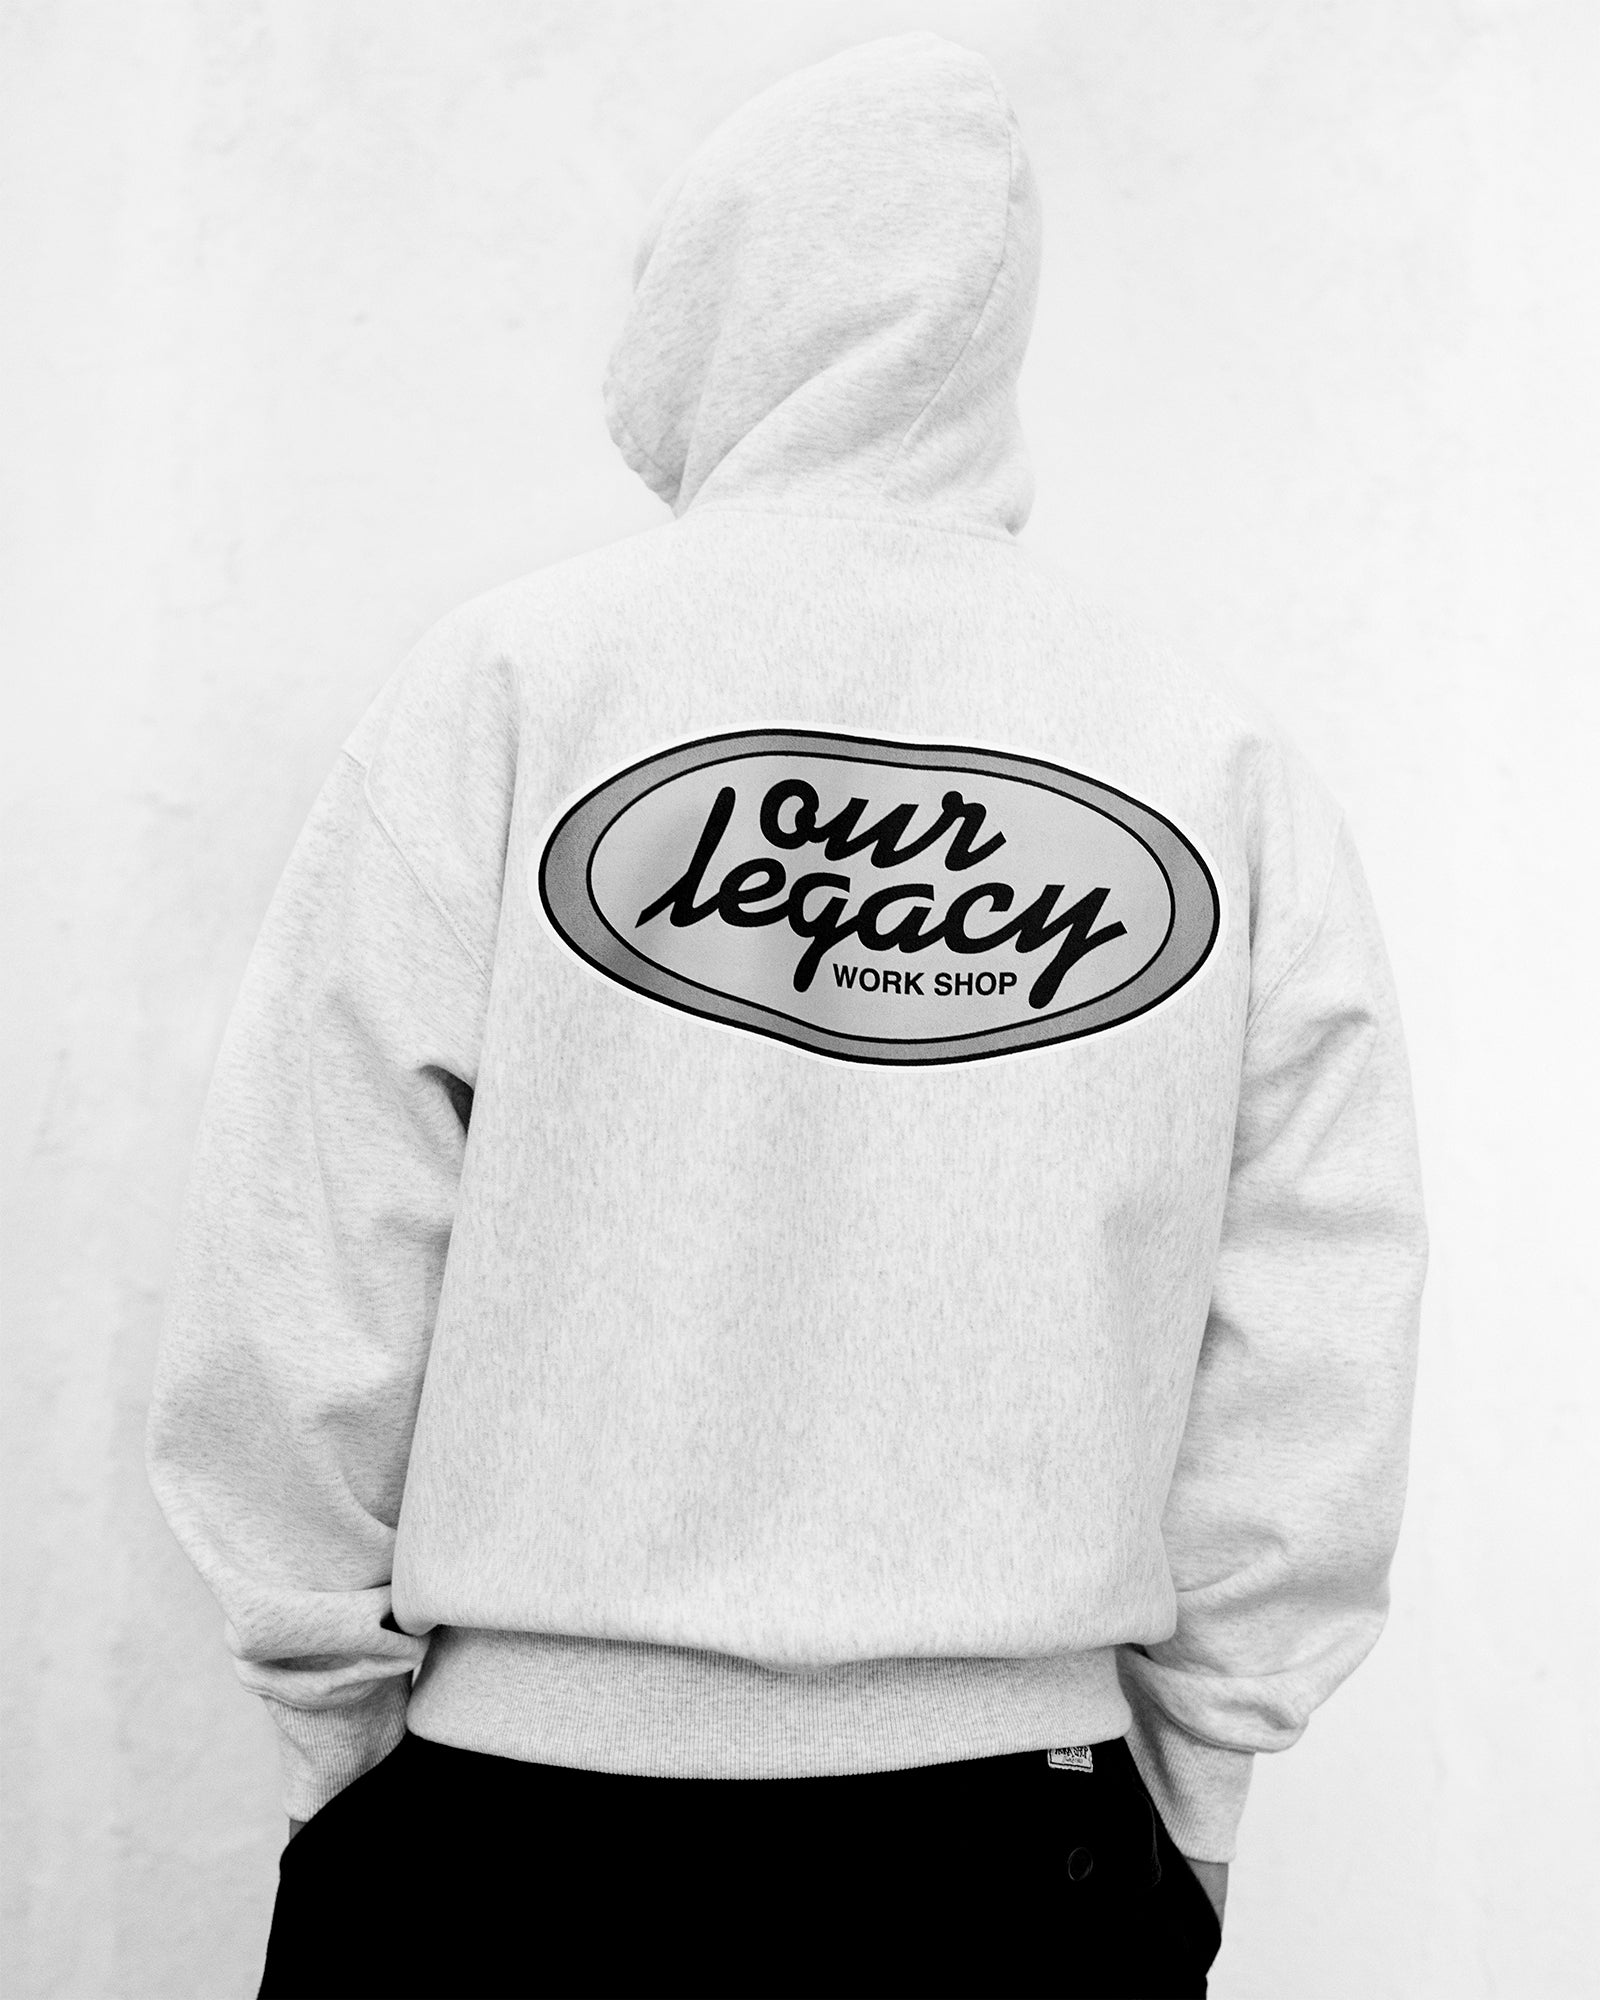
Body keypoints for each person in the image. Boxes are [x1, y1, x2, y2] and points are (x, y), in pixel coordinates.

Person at [146, 29, 1427, 2000]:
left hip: (508, 1834)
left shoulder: (515, 685)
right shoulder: (1205, 754)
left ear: (717, 298)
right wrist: (1202, 1789)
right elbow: (1315, 1321)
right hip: (1019, 1851)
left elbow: (307, 1250)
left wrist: (337, 1736)